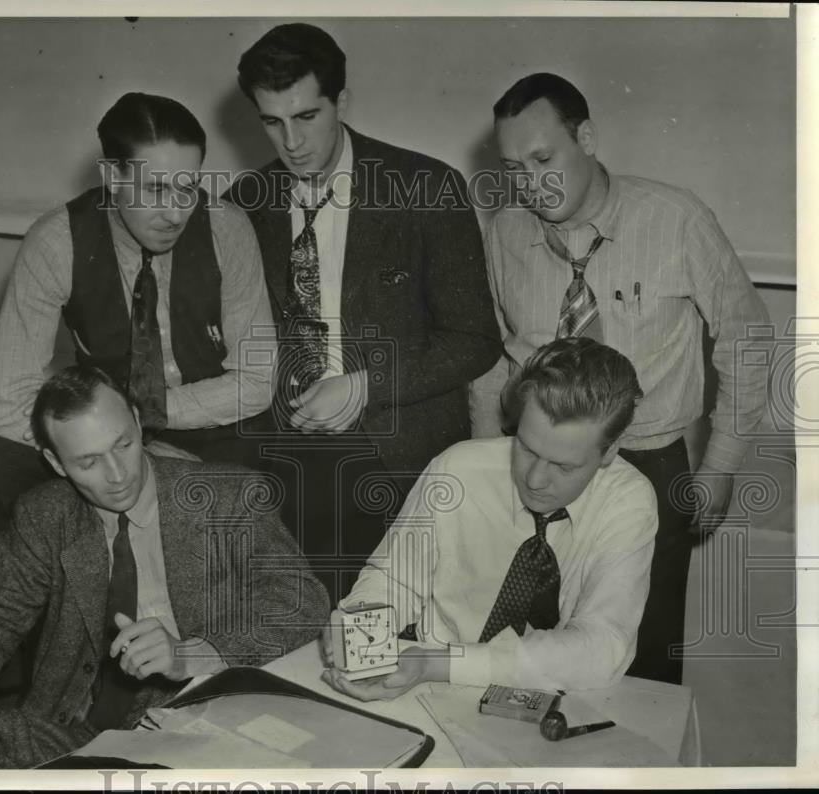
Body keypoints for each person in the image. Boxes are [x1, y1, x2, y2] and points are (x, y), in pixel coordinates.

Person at [471, 72, 770, 684]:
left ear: (587, 136)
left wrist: (721, 464)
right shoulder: (504, 232)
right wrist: (484, 466)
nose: (531, 183)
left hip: (649, 464)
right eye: (513, 167)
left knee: (641, 656)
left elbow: (746, 335)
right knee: (530, 649)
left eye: (544, 158)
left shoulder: (675, 218)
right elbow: (494, 360)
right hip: (539, 465)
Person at [0, 365, 328, 769]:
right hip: (76, 730)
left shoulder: (227, 496)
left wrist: (192, 652)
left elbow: (302, 601)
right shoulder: (45, 514)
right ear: (55, 463)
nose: (118, 475)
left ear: (139, 424)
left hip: (195, 721)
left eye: (123, 444)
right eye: (89, 461)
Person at [0, 92, 277, 591]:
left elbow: (259, 380)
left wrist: (147, 425)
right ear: (113, 177)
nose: (176, 213)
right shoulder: (56, 240)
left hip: (210, 427)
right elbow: (4, 400)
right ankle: (22, 640)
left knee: (197, 516)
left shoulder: (227, 229)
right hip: (98, 430)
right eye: (156, 189)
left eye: (188, 188)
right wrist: (108, 448)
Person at [225, 23, 502, 603]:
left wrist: (365, 384)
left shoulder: (426, 188)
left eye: (306, 117)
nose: (291, 142)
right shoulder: (242, 205)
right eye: (272, 122)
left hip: (394, 444)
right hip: (283, 445)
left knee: (374, 628)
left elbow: (475, 339)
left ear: (341, 102)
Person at [321, 338, 656, 701]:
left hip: (551, 696)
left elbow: (601, 644)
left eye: (564, 466)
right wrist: (357, 633)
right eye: (526, 447)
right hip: (426, 684)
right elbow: (394, 580)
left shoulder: (629, 503)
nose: (535, 480)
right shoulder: (458, 470)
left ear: (610, 451)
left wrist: (441, 663)